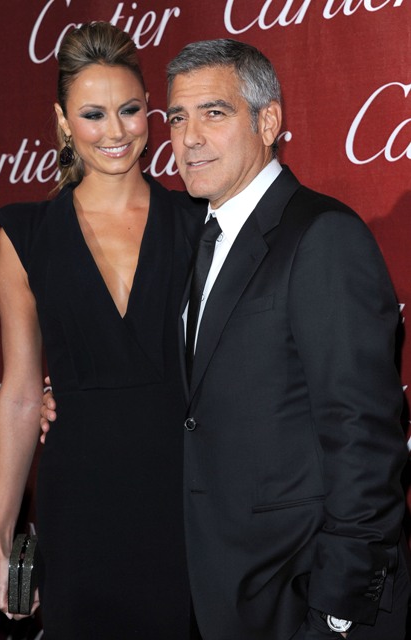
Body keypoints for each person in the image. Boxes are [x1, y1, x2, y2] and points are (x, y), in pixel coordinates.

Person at [41, 37, 410, 639]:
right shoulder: (198, 239)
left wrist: (339, 612)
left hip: (304, 596)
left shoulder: (322, 236)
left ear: (268, 121)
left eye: (214, 113)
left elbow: (363, 436)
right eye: (176, 118)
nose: (188, 139)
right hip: (218, 593)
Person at [0, 22, 203, 639]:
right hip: (78, 503)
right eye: (92, 114)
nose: (116, 131)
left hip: (186, 497)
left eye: (130, 109)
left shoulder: (199, 223)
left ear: (150, 110)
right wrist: (1, 537)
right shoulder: (25, 235)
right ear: (63, 121)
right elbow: (21, 392)